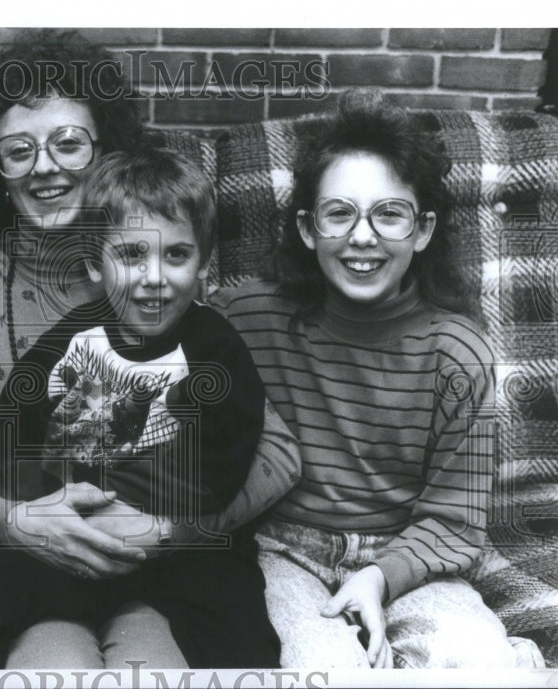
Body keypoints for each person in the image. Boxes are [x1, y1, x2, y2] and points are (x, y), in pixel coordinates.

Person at [0, 29, 300, 668]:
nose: (44, 167)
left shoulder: (158, 275)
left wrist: (165, 531)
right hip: (30, 569)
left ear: (106, 151)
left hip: (172, 565)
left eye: (68, 143)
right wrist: (23, 525)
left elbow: (279, 453)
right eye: (18, 150)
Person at [212, 91, 518, 668]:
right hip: (282, 553)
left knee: (475, 661)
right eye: (339, 212)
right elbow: (148, 321)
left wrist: (380, 579)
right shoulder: (241, 320)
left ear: (423, 230)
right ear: (307, 228)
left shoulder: (458, 353)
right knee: (316, 667)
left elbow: (455, 521)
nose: (362, 236)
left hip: (406, 556)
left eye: (389, 213)